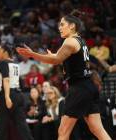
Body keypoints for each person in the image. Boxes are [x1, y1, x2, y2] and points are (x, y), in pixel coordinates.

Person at [17, 10, 111, 140]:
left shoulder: (69, 42)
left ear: (72, 26)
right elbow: (58, 57)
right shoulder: (79, 41)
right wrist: (51, 56)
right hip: (89, 86)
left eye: (62, 24)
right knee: (97, 129)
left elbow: (56, 60)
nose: (59, 27)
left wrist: (32, 54)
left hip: (79, 88)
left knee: (63, 132)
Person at [0, 44, 34, 140]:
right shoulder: (16, 64)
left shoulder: (2, 63)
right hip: (18, 95)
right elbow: (21, 83)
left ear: (5, 52)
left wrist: (7, 97)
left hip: (8, 95)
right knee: (22, 126)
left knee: (0, 126)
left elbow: (6, 80)